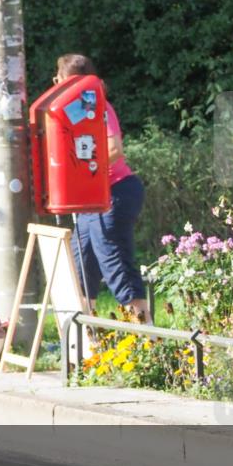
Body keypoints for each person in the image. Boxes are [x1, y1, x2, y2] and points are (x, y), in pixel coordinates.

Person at [55, 54, 151, 323]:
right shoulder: (75, 109)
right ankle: (84, 341)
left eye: (59, 79)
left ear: (69, 81)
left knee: (116, 265)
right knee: (80, 269)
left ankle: (147, 341)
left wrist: (81, 172)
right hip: (90, 202)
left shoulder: (97, 106)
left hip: (114, 193)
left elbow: (113, 149)